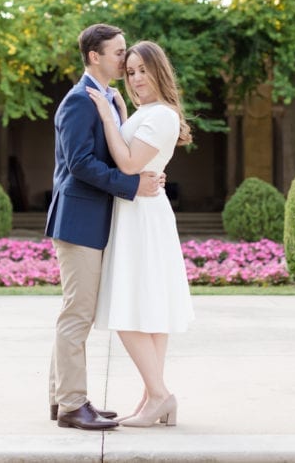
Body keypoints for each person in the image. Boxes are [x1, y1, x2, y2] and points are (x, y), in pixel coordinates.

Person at [46, 23, 165, 431]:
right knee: (77, 315)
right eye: (118, 53)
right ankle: (72, 405)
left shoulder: (108, 99)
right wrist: (132, 185)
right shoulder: (80, 100)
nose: (124, 59)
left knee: (75, 312)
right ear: (94, 56)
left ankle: (61, 397)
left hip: (95, 221)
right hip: (78, 221)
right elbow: (79, 164)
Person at [87, 40, 195, 428]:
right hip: (137, 211)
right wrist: (119, 110)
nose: (135, 78)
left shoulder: (162, 115)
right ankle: (153, 396)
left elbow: (130, 163)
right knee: (148, 310)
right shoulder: (145, 112)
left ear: (158, 71)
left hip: (142, 215)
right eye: (130, 71)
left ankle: (161, 395)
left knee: (128, 307)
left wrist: (106, 115)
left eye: (142, 70)